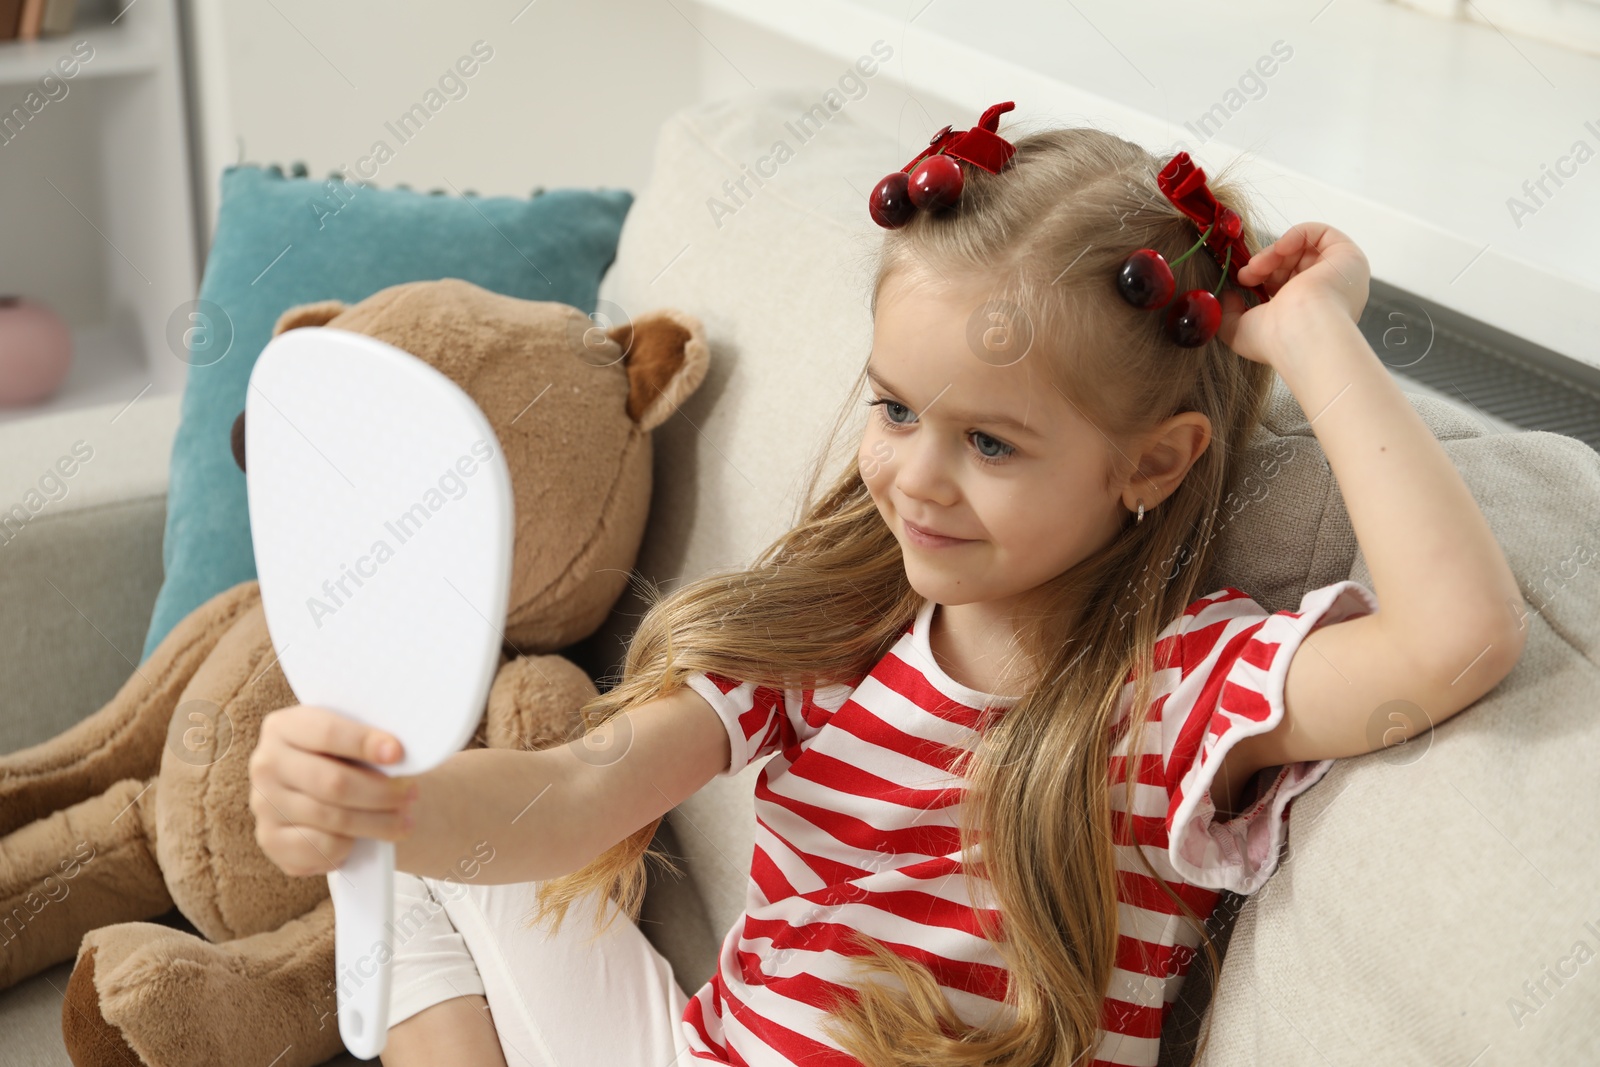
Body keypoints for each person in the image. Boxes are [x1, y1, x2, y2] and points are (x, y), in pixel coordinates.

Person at [247, 113, 1528, 1067]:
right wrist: (388, 802)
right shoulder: (840, 626)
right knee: (428, 862)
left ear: (1152, 463)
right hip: (695, 1048)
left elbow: (1455, 636)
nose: (912, 478)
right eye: (896, 408)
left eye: (989, 443)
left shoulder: (1178, 697)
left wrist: (1315, 333)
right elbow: (582, 791)